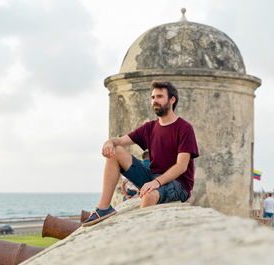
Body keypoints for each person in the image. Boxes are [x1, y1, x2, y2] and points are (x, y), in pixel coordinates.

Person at [82, 81, 199, 227]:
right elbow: (120, 141)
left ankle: (140, 232)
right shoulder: (149, 128)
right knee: (116, 151)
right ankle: (103, 208)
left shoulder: (184, 128)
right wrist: (110, 142)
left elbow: (181, 166)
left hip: (178, 184)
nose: (155, 100)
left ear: (172, 99)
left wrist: (156, 183)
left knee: (149, 195)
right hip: (152, 177)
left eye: (160, 96)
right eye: (153, 97)